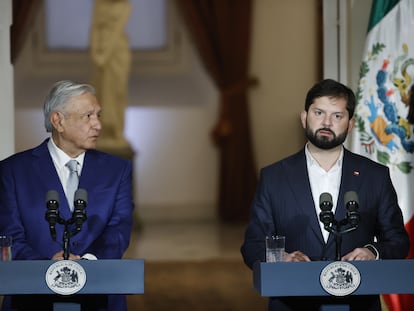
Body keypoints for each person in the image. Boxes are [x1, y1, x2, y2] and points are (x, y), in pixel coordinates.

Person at [240, 78, 410, 311]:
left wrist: (372, 252)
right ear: (304, 118)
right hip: (292, 303)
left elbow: (398, 241)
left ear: (350, 125)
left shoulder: (375, 176)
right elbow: (252, 244)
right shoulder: (274, 178)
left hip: (358, 304)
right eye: (319, 112)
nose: (327, 122)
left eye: (337, 116)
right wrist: (281, 259)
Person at [0, 80, 135, 311]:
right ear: (58, 121)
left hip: (100, 299)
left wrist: (86, 264)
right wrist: (48, 268)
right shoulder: (12, 171)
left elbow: (119, 229)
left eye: (98, 116)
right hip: (31, 298)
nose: (98, 125)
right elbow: (8, 235)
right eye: (88, 116)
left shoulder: (117, 170)